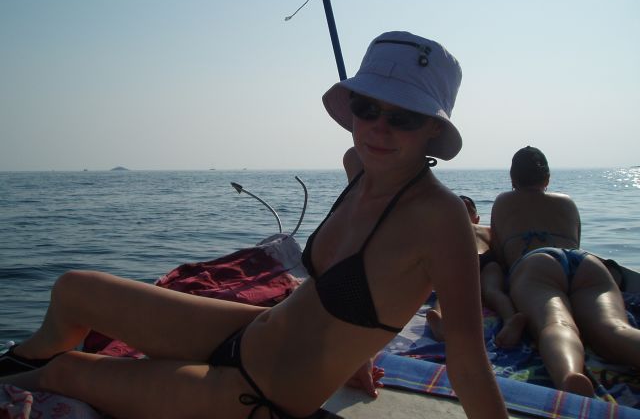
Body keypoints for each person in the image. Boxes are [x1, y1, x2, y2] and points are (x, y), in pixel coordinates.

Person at [0, 32, 508, 419]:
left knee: (67, 372)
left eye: (404, 117)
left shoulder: (440, 218)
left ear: (433, 128)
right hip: (250, 331)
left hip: (262, 391)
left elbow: (467, 359)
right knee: (75, 289)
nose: (378, 126)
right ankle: (18, 361)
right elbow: (377, 288)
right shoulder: (358, 167)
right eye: (367, 106)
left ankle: (22, 374)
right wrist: (356, 353)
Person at [490, 146, 640, 397]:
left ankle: (569, 375)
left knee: (556, 323)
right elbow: (575, 242)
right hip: (585, 263)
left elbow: (499, 253)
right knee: (614, 328)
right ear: (547, 179)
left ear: (513, 179)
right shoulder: (567, 201)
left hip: (537, 264)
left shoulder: (504, 201)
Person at [427, 195, 526, 347]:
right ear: (477, 219)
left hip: (462, 260)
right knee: (493, 291)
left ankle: (439, 317)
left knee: (449, 291)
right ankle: (509, 319)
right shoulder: (487, 230)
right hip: (488, 260)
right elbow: (500, 252)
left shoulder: (447, 230)